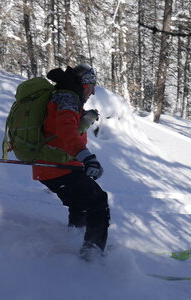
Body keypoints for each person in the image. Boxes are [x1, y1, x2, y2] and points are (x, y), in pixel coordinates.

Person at [33, 63, 110, 260]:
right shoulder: (67, 98)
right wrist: (87, 157)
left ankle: (76, 236)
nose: (92, 93)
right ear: (84, 84)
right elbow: (65, 129)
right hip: (56, 167)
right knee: (98, 202)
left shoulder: (67, 97)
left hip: (58, 166)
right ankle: (91, 256)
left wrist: (83, 119)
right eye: (92, 87)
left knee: (80, 202)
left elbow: (64, 128)